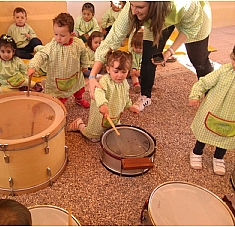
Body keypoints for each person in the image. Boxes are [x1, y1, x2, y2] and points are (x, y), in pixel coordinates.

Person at [89, 1, 213, 113]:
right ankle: (145, 96)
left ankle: (212, 98)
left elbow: (189, 29)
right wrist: (92, 75)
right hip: (156, 17)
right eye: (132, 5)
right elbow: (112, 39)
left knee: (199, 61)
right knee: (149, 56)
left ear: (155, 4)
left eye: (140, 7)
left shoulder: (185, 4)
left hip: (195, 20)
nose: (133, 11)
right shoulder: (135, 6)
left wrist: (169, 52)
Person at [67, 50, 138, 142]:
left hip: (114, 112)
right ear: (108, 69)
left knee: (112, 132)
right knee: (94, 137)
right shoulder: (104, 81)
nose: (120, 75)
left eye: (123, 72)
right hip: (100, 112)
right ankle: (79, 124)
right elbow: (98, 92)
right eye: (116, 72)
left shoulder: (124, 83)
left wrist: (129, 106)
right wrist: (102, 105)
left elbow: (125, 96)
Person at [188, 46, 235, 176]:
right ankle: (197, 152)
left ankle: (219, 157)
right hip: (213, 109)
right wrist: (195, 95)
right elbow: (204, 82)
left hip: (232, 114)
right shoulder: (224, 70)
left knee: (226, 135)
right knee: (204, 131)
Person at [27, 13, 90, 109]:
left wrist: (85, 66)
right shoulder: (52, 46)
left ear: (72, 34)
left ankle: (79, 99)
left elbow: (84, 54)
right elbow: (41, 54)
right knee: (59, 99)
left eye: (62, 35)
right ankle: (59, 108)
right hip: (58, 79)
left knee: (79, 89)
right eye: (55, 34)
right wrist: (33, 66)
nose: (58, 38)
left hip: (74, 75)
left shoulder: (78, 44)